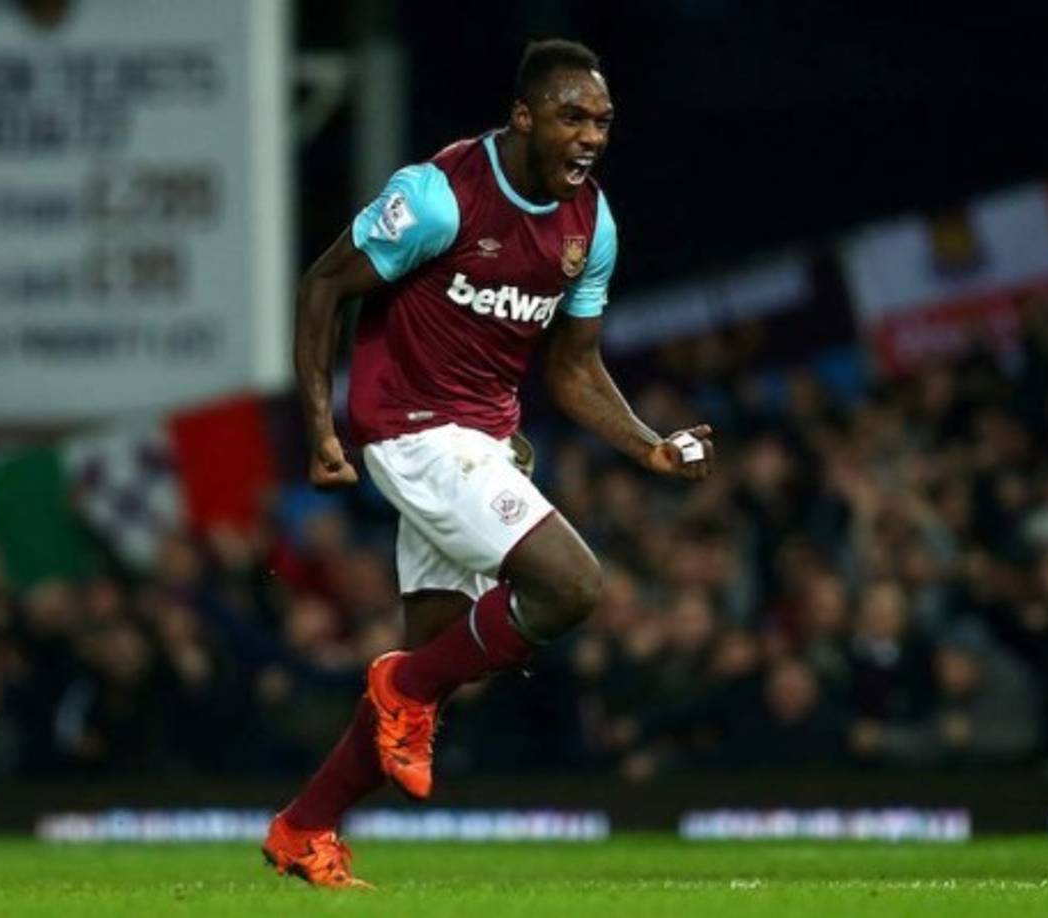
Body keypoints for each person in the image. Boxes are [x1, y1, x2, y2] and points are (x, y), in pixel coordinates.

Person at [262, 38, 714, 888]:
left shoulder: (591, 224)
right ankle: (402, 690)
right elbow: (322, 285)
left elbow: (573, 369)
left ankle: (303, 827)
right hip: (411, 431)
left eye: (602, 122)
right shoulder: (438, 197)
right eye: (571, 116)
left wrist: (646, 444)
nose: (589, 136)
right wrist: (320, 431)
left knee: (431, 678)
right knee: (571, 587)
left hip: (485, 441)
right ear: (523, 115)